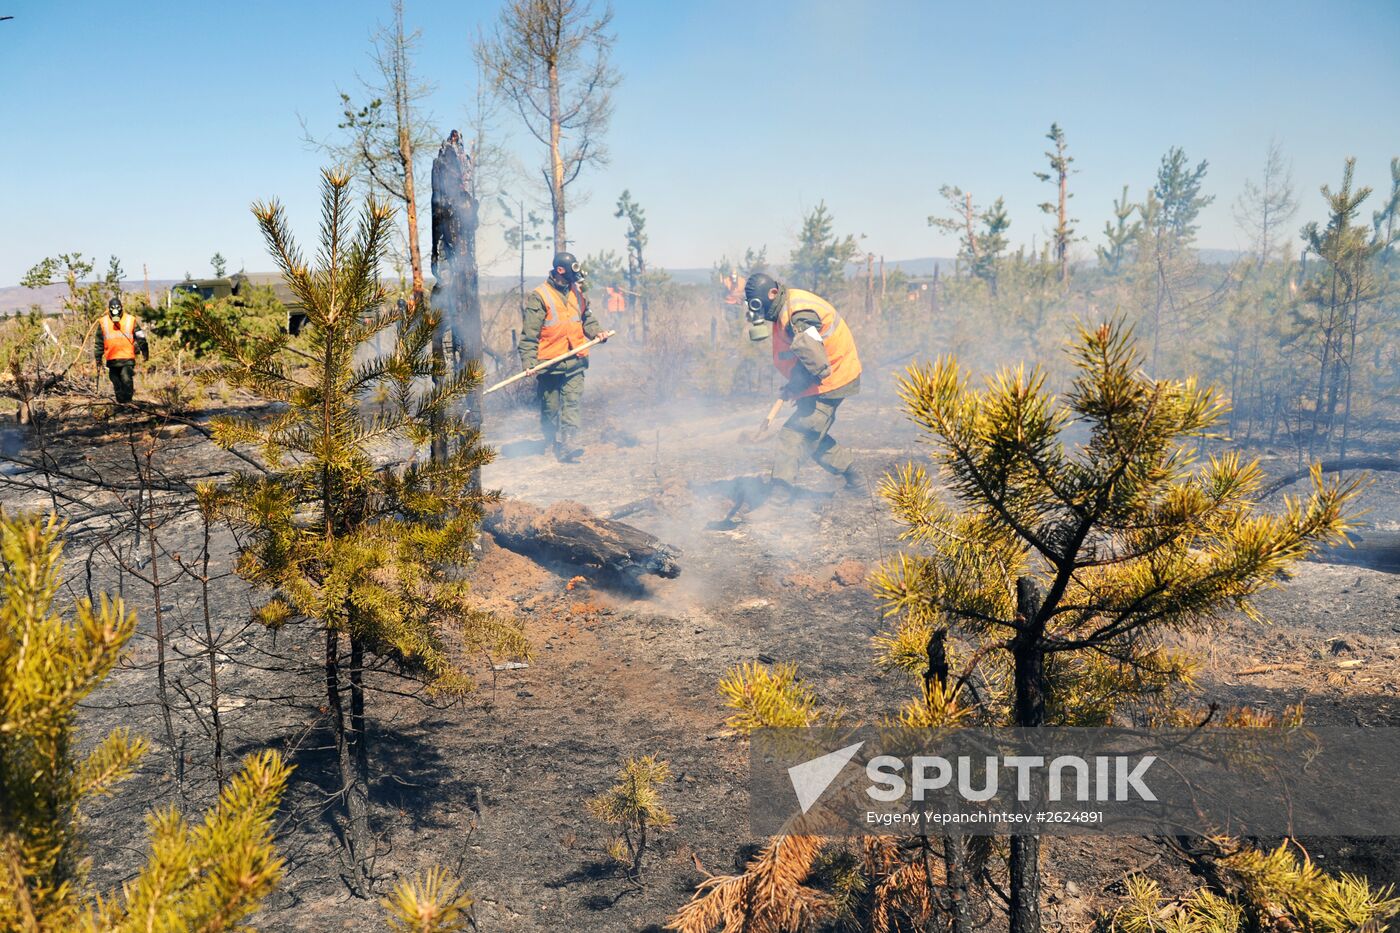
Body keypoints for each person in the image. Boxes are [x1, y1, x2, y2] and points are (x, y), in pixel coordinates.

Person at [743, 273, 863, 502]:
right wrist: (793, 386)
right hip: (823, 377)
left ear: (772, 293)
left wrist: (797, 385)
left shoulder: (798, 316)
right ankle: (856, 477)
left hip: (831, 379)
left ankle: (778, 497)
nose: (757, 312)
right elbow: (806, 357)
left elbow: (817, 364)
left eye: (757, 304)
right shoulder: (785, 307)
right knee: (812, 436)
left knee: (793, 435)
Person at [518, 251, 606, 462]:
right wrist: (529, 363)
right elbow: (529, 334)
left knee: (572, 402)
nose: (574, 281)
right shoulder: (540, 296)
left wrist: (597, 332)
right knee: (550, 407)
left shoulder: (578, 292)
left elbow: (586, 318)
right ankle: (549, 440)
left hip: (575, 361)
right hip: (549, 363)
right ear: (560, 270)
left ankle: (568, 444)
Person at [94, 296, 149, 404]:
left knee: (126, 378)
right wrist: (98, 358)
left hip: (127, 357)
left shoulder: (130, 320)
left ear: (121, 308)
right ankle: (121, 403)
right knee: (115, 380)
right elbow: (99, 342)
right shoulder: (103, 322)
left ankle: (128, 403)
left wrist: (145, 351)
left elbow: (140, 337)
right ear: (109, 309)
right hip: (112, 358)